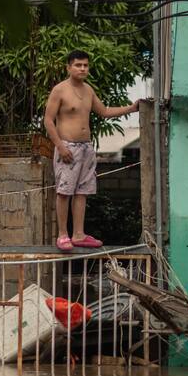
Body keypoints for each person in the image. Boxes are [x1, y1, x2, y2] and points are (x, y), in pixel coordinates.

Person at [43, 50, 139, 252]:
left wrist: (131, 108)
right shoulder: (60, 90)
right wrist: (60, 146)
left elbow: (104, 112)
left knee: (82, 191)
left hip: (87, 147)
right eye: (78, 65)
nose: (82, 68)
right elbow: (48, 121)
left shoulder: (88, 90)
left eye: (85, 65)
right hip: (67, 147)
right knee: (64, 191)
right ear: (68, 67)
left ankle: (78, 234)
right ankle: (63, 234)